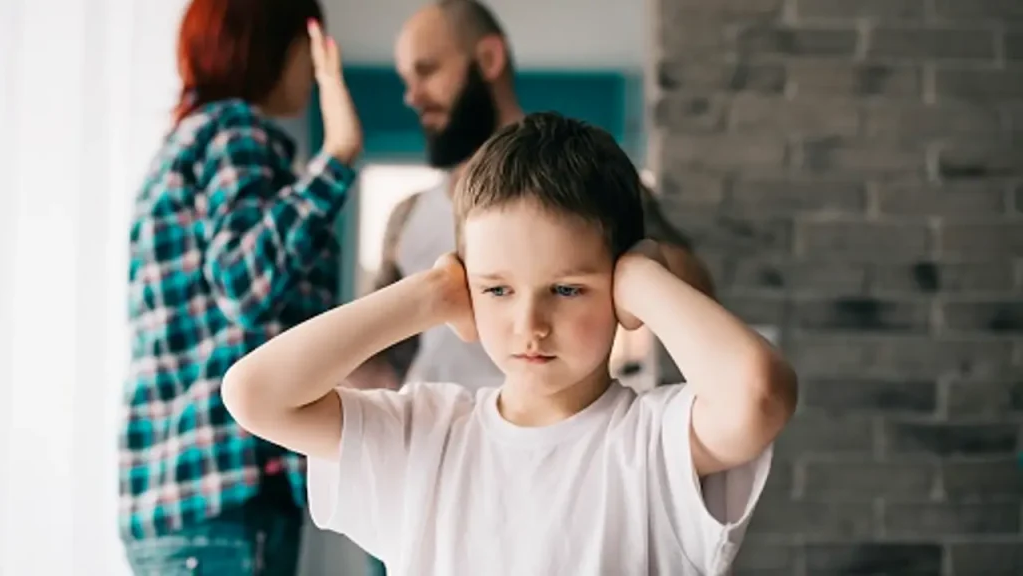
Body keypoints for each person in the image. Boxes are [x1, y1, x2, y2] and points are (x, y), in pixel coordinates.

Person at [222, 112, 798, 575]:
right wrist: (427, 295)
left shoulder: (654, 442)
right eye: (497, 289)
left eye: (567, 289)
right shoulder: (426, 435)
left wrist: (644, 280)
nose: (530, 324)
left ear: (619, 286)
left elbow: (760, 393)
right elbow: (254, 394)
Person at [347, 0, 715, 392]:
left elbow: (693, 288)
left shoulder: (586, 181)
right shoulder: (407, 215)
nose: (412, 96)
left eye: (427, 71)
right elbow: (373, 360)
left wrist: (624, 270)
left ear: (489, 59)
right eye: (407, 80)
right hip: (440, 424)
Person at [118, 0, 362, 572]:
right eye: (310, 48)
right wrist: (339, 153)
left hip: (177, 499)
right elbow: (244, 283)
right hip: (226, 494)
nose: (314, 71)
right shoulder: (234, 133)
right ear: (277, 46)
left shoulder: (182, 146)